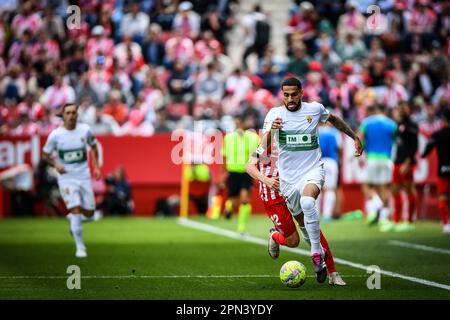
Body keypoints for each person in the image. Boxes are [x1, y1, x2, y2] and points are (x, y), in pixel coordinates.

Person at [261, 77, 362, 283]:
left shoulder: (314, 109)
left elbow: (333, 119)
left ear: (301, 93)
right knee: (305, 232)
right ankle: (327, 267)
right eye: (286, 95)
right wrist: (272, 130)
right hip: (288, 179)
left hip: (313, 169)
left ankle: (320, 259)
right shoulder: (274, 114)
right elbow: (263, 149)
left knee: (309, 202)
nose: (290, 99)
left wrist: (354, 136)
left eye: (294, 94)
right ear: (282, 94)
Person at [245, 143, 346, 285]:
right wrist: (266, 180)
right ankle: (274, 235)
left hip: (292, 188)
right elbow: (249, 166)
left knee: (312, 229)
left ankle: (333, 273)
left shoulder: (293, 139)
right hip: (273, 196)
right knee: (293, 241)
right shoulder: (267, 142)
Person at [42, 103, 102, 258]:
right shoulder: (56, 135)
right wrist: (56, 164)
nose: (71, 115)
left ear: (77, 114)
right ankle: (80, 247)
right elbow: (45, 155)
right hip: (66, 178)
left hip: (83, 176)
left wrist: (96, 167)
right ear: (63, 115)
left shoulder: (85, 130)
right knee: (75, 209)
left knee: (89, 213)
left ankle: (74, 220)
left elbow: (94, 147)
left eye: (73, 112)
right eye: (68, 113)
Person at [359, 104, 397, 232]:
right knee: (384, 187)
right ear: (384, 110)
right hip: (387, 159)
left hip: (372, 158)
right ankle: (383, 219)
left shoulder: (366, 122)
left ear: (373, 110)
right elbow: (395, 142)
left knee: (367, 185)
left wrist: (359, 157)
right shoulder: (392, 124)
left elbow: (360, 139)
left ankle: (377, 204)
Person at [221, 114, 260, 234]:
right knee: (233, 200)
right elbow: (224, 156)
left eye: (239, 123)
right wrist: (222, 174)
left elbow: (258, 154)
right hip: (232, 172)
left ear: (243, 124)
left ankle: (241, 228)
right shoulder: (228, 138)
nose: (237, 126)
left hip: (246, 172)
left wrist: (256, 170)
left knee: (244, 199)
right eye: (235, 124)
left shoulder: (253, 137)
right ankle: (228, 208)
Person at [422, 107, 450, 234]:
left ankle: (446, 224)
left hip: (443, 170)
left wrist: (422, 155)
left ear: (444, 120)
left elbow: (428, 148)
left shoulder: (438, 134)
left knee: (443, 196)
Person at [392, 102, 419, 232]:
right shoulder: (398, 124)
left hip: (406, 162)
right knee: (395, 190)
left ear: (409, 109)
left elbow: (414, 146)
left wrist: (408, 162)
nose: (401, 109)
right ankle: (397, 221)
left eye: (404, 107)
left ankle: (409, 220)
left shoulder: (412, 125)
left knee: (408, 189)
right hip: (398, 161)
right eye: (400, 107)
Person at [318, 122, 342, 224]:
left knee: (317, 189)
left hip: (318, 161)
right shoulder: (335, 132)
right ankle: (327, 215)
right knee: (330, 189)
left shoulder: (316, 131)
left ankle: (316, 214)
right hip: (332, 161)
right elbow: (340, 148)